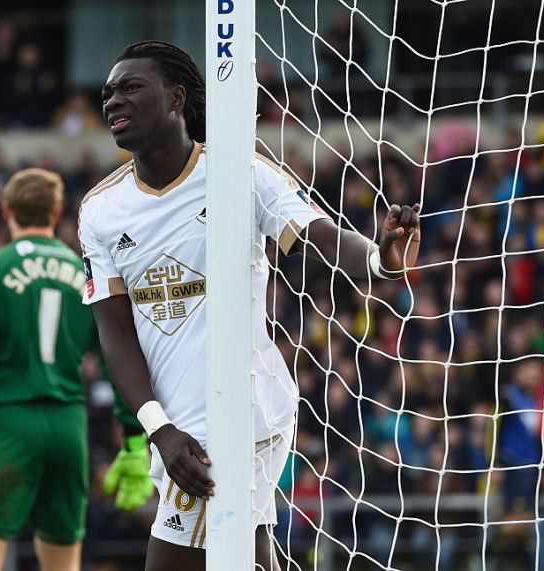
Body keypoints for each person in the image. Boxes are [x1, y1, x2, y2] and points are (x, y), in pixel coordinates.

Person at [78, 40, 421, 570]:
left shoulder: (240, 172)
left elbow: (318, 238)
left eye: (130, 88)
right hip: (178, 423)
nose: (113, 101)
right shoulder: (100, 210)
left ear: (175, 97)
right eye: (108, 93)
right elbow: (114, 332)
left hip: (243, 406)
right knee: (250, 554)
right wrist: (158, 427)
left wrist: (379, 260)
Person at [0, 168, 150, 571]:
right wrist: (133, 436)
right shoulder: (85, 270)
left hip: (9, 421)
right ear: (57, 211)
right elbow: (119, 356)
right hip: (67, 425)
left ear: (6, 209)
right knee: (63, 565)